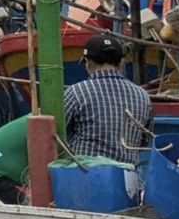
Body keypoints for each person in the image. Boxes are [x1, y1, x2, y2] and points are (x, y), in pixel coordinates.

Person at [64, 32, 152, 169]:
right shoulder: (143, 95)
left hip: (86, 178)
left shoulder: (76, 92)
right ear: (121, 62)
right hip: (128, 180)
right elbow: (143, 141)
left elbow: (57, 132)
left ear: (88, 63)